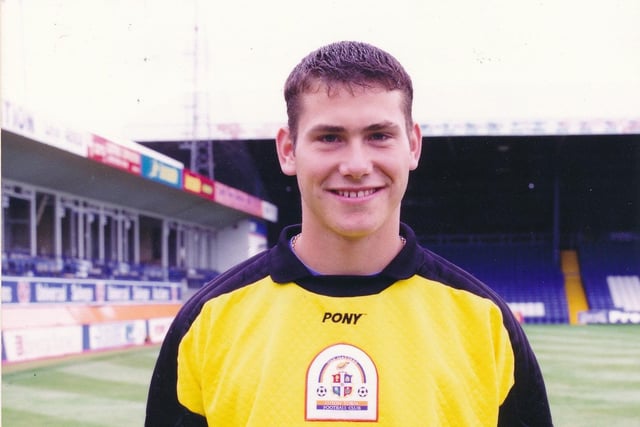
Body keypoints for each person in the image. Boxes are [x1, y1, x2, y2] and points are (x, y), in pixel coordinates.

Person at [145, 40, 553, 426]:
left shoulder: (483, 322)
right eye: (330, 137)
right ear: (288, 149)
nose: (356, 164)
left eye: (379, 135)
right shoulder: (209, 321)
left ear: (412, 145)